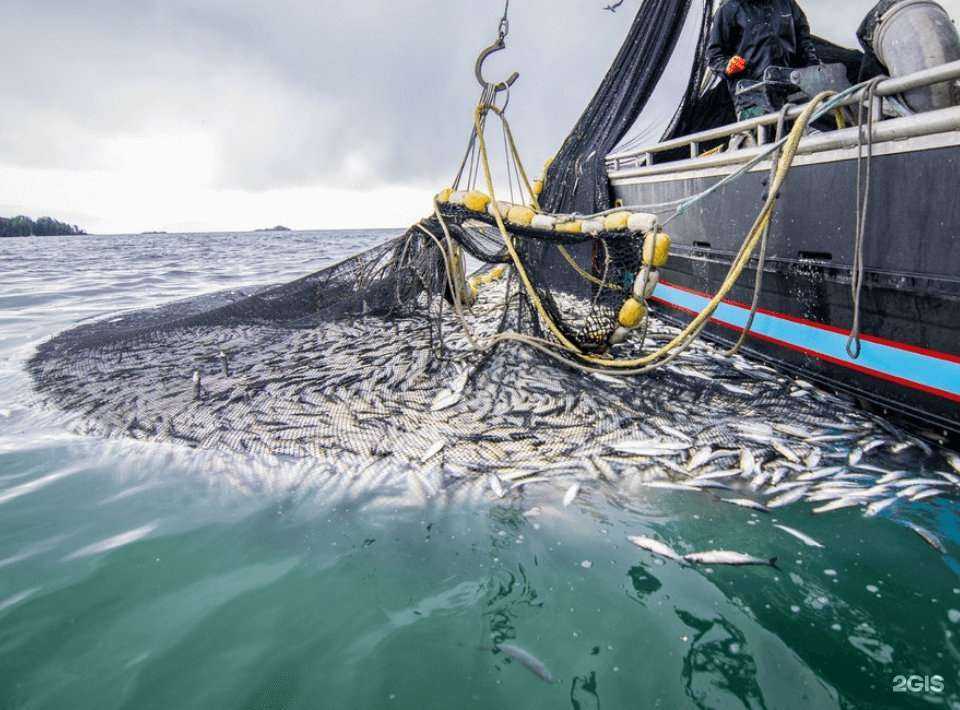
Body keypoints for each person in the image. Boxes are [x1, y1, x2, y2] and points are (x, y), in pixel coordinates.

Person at [706, 0, 820, 119]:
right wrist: (728, 66)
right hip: (751, 100)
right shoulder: (729, 9)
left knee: (802, 128)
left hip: (791, 93)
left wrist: (815, 72)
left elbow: (805, 47)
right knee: (759, 129)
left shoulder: (788, 4)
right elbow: (714, 56)